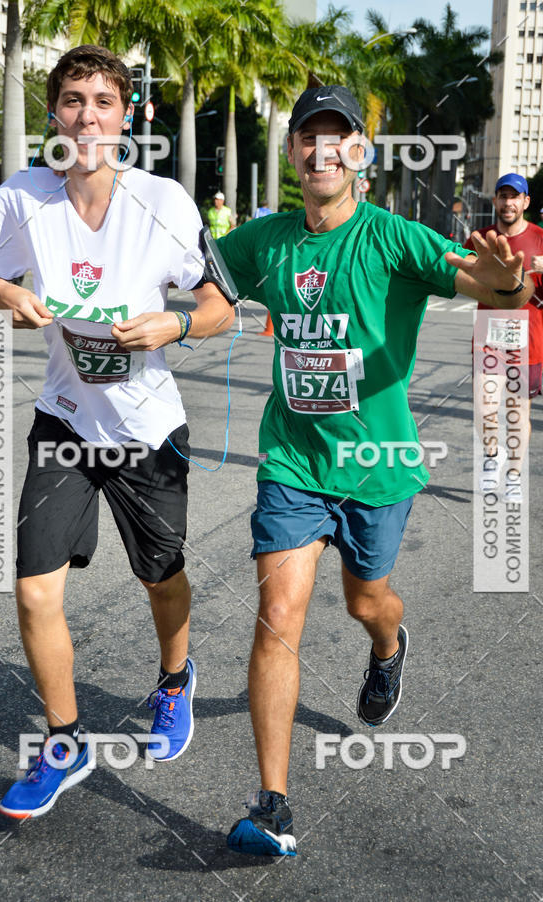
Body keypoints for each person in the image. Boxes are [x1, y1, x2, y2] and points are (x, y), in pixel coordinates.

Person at [216, 85, 533, 857]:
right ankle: (272, 807)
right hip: (292, 462)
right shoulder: (265, 242)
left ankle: (390, 645)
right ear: (291, 153)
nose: (321, 151)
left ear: (359, 152)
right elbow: (207, 288)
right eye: (307, 138)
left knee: (368, 602)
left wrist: (507, 280)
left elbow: (485, 285)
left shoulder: (395, 238)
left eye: (339, 138)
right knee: (278, 617)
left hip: (377, 466)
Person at [0, 45, 234, 818]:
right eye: (73, 101)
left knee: (160, 577)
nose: (88, 115)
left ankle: (176, 679)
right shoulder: (23, 197)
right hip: (65, 425)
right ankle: (63, 744)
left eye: (103, 101)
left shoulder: (163, 200)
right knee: (35, 591)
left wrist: (174, 321)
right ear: (55, 117)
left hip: (148, 431)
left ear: (126, 115)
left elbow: (221, 306)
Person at [464, 172, 543, 503]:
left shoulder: (540, 239)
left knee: (518, 412)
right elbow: (458, 270)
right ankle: (492, 456)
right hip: (489, 336)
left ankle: (513, 475)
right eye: (502, 196)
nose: (508, 203)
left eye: (515, 197)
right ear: (494, 200)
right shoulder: (481, 238)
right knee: (485, 407)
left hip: (530, 341)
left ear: (525, 202)